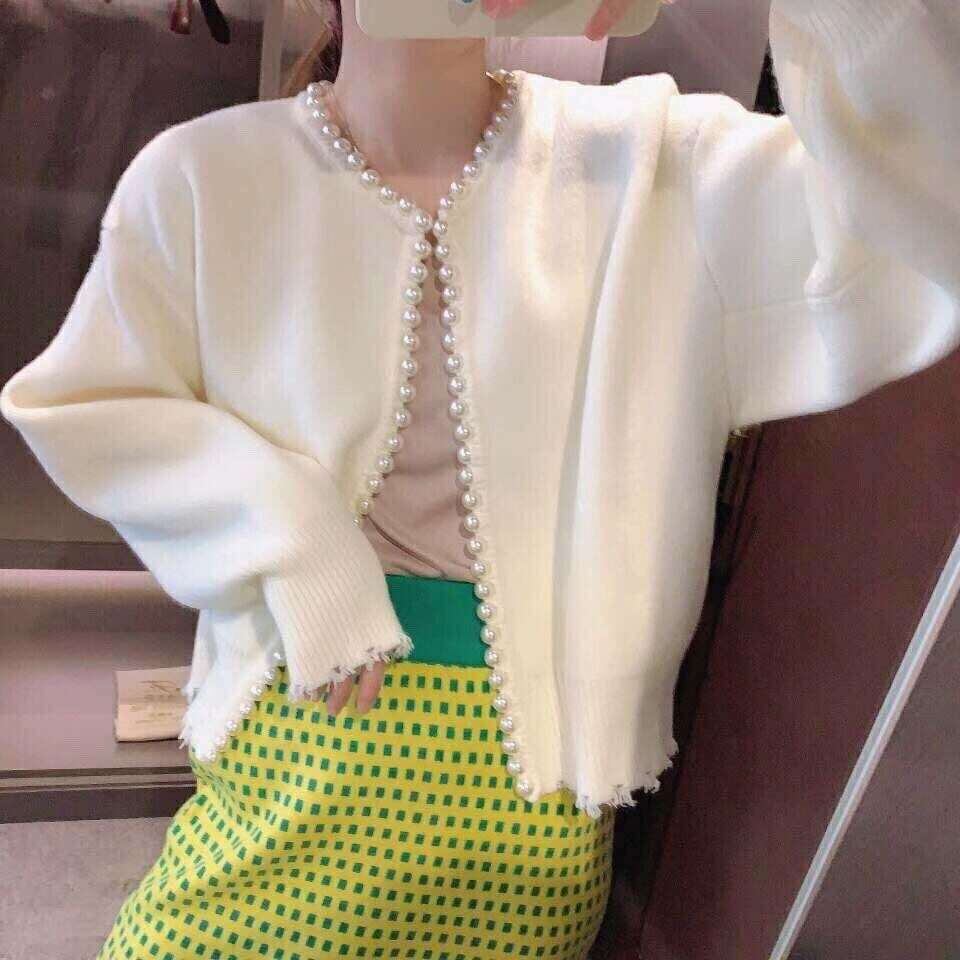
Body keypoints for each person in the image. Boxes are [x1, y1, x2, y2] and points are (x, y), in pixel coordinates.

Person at [1, 0, 957, 957]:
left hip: (529, 863)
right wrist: (287, 531)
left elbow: (925, 215)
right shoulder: (203, 178)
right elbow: (86, 404)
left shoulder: (664, 167)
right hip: (274, 815)